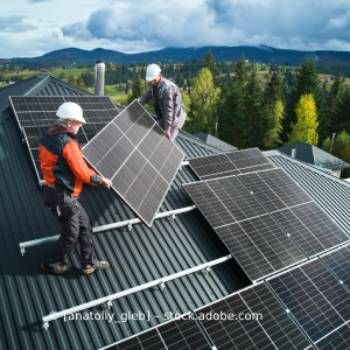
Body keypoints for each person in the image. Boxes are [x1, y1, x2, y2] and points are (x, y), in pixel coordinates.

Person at [39, 101, 112, 275]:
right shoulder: (67, 143)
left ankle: (89, 263)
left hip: (62, 194)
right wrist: (100, 180)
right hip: (62, 196)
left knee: (85, 225)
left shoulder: (49, 135)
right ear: (70, 122)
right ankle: (51, 263)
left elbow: (70, 163)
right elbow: (81, 172)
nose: (80, 126)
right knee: (71, 234)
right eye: (79, 123)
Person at [139, 63, 186, 141]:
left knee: (167, 140)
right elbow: (146, 96)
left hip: (175, 118)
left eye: (153, 79)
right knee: (153, 130)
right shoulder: (155, 86)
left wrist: (168, 129)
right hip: (165, 116)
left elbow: (169, 110)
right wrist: (138, 102)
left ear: (159, 75)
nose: (152, 82)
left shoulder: (167, 89)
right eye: (151, 80)